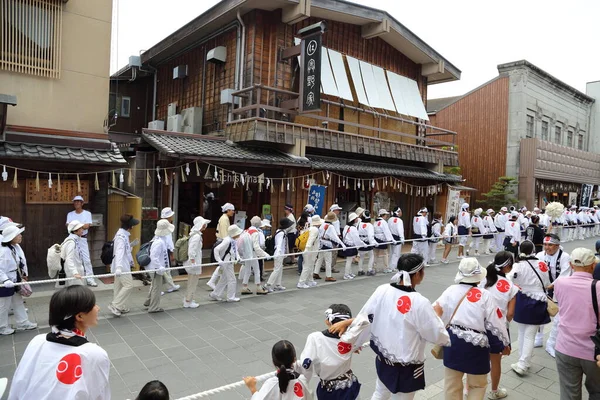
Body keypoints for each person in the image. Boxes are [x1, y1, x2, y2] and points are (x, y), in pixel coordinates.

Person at [332, 254, 450, 400]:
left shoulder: (382, 290)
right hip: (406, 366)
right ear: (418, 274)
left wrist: (353, 342)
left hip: (383, 358)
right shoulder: (420, 302)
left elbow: (365, 317)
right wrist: (438, 317)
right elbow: (436, 335)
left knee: (380, 393)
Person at [8, 286, 109, 399]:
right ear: (80, 316)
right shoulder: (93, 354)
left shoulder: (37, 341)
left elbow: (20, 382)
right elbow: (99, 394)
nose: (98, 308)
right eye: (93, 305)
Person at [434, 258, 509, 400]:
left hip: (453, 342)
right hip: (477, 346)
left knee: (452, 385)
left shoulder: (450, 290)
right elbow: (495, 324)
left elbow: (435, 311)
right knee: (477, 385)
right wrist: (502, 344)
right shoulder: (485, 295)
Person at [554, 248, 600, 399]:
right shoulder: (598, 287)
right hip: (593, 351)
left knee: (568, 393)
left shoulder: (560, 283)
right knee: (597, 391)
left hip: (565, 346)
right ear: (593, 265)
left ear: (571, 265)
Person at [506, 240, 551, 376]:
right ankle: (523, 361)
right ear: (533, 250)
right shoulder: (542, 264)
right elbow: (547, 283)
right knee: (529, 334)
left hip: (522, 298)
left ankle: (523, 362)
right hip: (539, 300)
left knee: (522, 332)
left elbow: (509, 279)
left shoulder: (518, 265)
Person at [299, 304, 361, 400]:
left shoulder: (315, 338)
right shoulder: (352, 337)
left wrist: (303, 385)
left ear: (327, 321)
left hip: (328, 390)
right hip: (350, 386)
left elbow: (305, 365)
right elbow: (367, 320)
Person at [481, 252, 518, 399]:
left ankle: (470, 388)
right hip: (497, 328)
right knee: (495, 361)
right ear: (508, 267)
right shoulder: (511, 287)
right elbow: (510, 314)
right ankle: (494, 391)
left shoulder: (482, 279)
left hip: (478, 324)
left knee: (476, 358)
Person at [534, 233, 571, 356]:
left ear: (557, 245)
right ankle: (538, 339)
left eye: (550, 244)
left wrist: (550, 286)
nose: (547, 247)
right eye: (545, 244)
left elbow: (564, 274)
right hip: (542, 288)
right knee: (539, 314)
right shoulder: (539, 255)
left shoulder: (564, 256)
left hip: (560, 289)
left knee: (558, 318)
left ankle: (551, 343)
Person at [0, 225, 37, 335]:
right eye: (18, 234)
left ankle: (23, 322)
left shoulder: (15, 247)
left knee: (18, 301)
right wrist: (5, 280)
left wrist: (24, 274)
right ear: (11, 237)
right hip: (5, 281)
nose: (20, 236)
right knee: (3, 305)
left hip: (15, 278)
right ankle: (2, 327)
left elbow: (21, 261)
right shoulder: (3, 251)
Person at [243, 340, 310, 400]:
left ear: (273, 362)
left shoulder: (271, 383)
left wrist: (252, 388)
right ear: (294, 359)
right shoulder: (302, 380)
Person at [108, 214, 140, 316]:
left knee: (118, 286)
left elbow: (123, 249)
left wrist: (131, 245)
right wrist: (119, 268)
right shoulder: (121, 237)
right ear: (130, 226)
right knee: (128, 285)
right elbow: (119, 252)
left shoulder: (121, 234)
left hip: (120, 265)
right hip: (121, 266)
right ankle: (116, 305)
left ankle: (119, 306)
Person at [65, 196, 97, 287]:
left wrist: (75, 226)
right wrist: (81, 225)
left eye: (79, 202)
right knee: (72, 259)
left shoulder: (87, 214)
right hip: (72, 238)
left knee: (86, 259)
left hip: (82, 238)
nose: (76, 204)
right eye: (75, 202)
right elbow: (68, 225)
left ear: (82, 203)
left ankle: (90, 279)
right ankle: (74, 279)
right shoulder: (70, 214)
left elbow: (87, 226)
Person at [144, 219, 174, 313]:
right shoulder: (159, 242)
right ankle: (154, 307)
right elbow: (154, 256)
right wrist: (159, 266)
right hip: (156, 269)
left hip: (158, 268)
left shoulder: (159, 240)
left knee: (155, 286)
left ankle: (149, 302)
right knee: (157, 288)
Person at [210, 225, 242, 302]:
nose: (239, 234)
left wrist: (238, 257)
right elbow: (216, 249)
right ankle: (231, 297)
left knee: (224, 279)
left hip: (230, 262)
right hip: (226, 262)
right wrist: (219, 260)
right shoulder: (227, 240)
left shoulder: (233, 240)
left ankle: (215, 294)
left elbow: (235, 250)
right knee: (232, 279)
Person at [183, 216, 210, 308]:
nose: (205, 226)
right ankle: (188, 301)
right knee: (193, 282)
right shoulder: (197, 236)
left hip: (193, 262)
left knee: (191, 281)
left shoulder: (194, 234)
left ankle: (188, 298)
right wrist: (193, 261)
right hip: (194, 263)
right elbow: (192, 250)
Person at [207, 203, 235, 289]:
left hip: (224, 241)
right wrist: (227, 243)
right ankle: (212, 281)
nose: (233, 212)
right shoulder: (224, 219)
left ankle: (214, 281)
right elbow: (224, 233)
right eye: (232, 210)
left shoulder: (225, 218)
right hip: (223, 242)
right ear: (228, 210)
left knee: (223, 263)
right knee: (222, 262)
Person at [314, 213, 346, 282]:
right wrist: (342, 244)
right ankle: (328, 276)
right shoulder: (331, 226)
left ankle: (315, 272)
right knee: (328, 261)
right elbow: (335, 237)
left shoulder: (322, 224)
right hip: (327, 244)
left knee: (319, 259)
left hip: (321, 243)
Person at [265, 218, 294, 292]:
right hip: (279, 254)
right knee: (277, 269)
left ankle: (278, 284)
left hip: (281, 253)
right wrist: (278, 253)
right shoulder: (281, 233)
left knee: (280, 269)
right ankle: (268, 285)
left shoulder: (280, 231)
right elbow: (279, 244)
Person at [156, 207, 180, 294]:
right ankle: (161, 288)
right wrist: (172, 254)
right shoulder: (166, 227)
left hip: (160, 250)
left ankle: (170, 286)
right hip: (164, 251)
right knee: (164, 269)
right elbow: (169, 242)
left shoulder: (160, 224)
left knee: (164, 270)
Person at [244, 216, 270, 295]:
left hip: (246, 253)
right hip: (253, 253)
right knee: (257, 270)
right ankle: (258, 287)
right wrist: (265, 254)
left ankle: (244, 287)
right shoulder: (255, 232)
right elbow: (256, 246)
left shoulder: (246, 230)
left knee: (247, 270)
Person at [298, 216, 321, 289]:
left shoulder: (308, 228)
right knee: (307, 266)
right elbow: (311, 240)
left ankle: (310, 280)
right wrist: (307, 249)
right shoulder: (315, 230)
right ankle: (301, 282)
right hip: (310, 250)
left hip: (310, 250)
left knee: (310, 265)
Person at [341, 213, 365, 280]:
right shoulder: (353, 228)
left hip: (347, 244)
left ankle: (349, 272)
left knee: (350, 260)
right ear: (354, 220)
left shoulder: (346, 226)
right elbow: (356, 238)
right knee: (349, 260)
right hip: (351, 245)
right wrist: (362, 244)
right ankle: (346, 274)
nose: (357, 219)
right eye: (356, 218)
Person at [61, 220, 86, 286]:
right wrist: (75, 273)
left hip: (78, 269)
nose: (82, 230)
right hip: (73, 272)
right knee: (76, 292)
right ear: (75, 231)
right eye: (80, 228)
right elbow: (69, 259)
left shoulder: (76, 240)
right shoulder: (71, 242)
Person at [357, 210, 377, 277]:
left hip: (360, 241)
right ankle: (369, 270)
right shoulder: (369, 225)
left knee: (361, 257)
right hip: (368, 242)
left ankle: (360, 270)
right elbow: (370, 236)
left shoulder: (359, 224)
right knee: (371, 256)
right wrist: (373, 243)